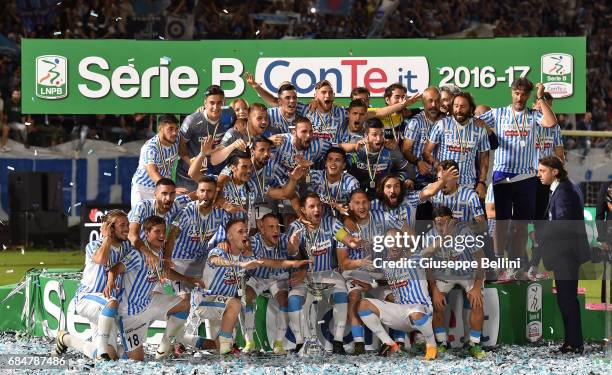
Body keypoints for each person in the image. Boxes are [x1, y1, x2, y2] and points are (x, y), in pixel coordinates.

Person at [479, 78, 558, 281]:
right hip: (503, 173)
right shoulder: (498, 113)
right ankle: (497, 263)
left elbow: (551, 122)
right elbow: (474, 120)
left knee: (521, 225)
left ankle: (516, 266)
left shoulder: (534, 115)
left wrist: (541, 98)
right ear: (511, 92)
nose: (520, 97)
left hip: (527, 175)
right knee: (501, 222)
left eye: (524, 94)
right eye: (516, 93)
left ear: (529, 95)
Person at [106, 216, 205, 361]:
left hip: (149, 302)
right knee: (136, 361)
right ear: (146, 233)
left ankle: (163, 348)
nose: (161, 235)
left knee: (184, 304)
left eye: (163, 231)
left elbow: (165, 272)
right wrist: (110, 282)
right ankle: (111, 347)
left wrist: (189, 279)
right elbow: (114, 269)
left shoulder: (158, 252)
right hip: (130, 314)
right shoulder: (137, 255)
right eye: (157, 231)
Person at [54, 210, 131, 361]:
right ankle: (102, 351)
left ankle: (65, 339)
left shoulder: (126, 247)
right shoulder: (94, 245)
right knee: (111, 303)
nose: (127, 228)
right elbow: (102, 259)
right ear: (110, 227)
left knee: (112, 356)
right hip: (87, 299)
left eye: (127, 224)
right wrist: (107, 238)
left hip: (106, 309)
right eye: (122, 225)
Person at [334, 190, 403, 354]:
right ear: (350, 206)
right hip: (356, 272)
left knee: (397, 298)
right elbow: (343, 263)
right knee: (354, 297)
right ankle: (359, 343)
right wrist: (361, 262)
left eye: (364, 202)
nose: (361, 206)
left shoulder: (383, 217)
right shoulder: (343, 228)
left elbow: (404, 232)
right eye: (357, 203)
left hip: (380, 274)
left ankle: (399, 341)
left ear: (369, 203)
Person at [357, 228, 437, 359]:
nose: (394, 245)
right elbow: (386, 279)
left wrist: (444, 236)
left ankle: (432, 345)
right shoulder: (386, 264)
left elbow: (431, 249)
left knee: (416, 312)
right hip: (400, 313)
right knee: (363, 305)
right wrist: (370, 285)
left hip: (421, 311)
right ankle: (389, 343)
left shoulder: (414, 257)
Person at [537, 156, 590, 354]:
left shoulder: (565, 191)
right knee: (566, 298)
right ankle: (572, 342)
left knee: (567, 299)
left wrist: (543, 240)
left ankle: (574, 343)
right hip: (566, 253)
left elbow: (562, 225)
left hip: (566, 254)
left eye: (542, 171)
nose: (539, 175)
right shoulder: (564, 188)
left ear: (555, 171)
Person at [286, 192, 348, 354]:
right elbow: (292, 254)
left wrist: (352, 241)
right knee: (293, 299)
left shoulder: (331, 223)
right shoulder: (296, 227)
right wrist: (292, 245)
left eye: (319, 206)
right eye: (311, 206)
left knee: (341, 293)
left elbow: (345, 237)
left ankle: (338, 342)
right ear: (303, 210)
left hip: (329, 273)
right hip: (305, 274)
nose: (316, 209)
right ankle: (300, 342)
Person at [425, 206, 486, 359]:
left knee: (477, 301)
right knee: (436, 304)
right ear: (433, 223)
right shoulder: (430, 236)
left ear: (453, 221)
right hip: (445, 275)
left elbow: (481, 259)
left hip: (468, 272)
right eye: (439, 223)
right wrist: (434, 290)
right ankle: (442, 343)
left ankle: (474, 343)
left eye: (446, 222)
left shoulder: (464, 232)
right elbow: (428, 265)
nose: (443, 226)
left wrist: (477, 286)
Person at [423, 92, 490, 198]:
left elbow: (485, 156)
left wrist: (482, 182)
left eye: (463, 107)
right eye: (456, 106)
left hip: (467, 184)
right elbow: (426, 151)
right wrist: (438, 168)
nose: (458, 110)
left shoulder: (479, 127)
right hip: (443, 184)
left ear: (471, 109)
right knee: (441, 214)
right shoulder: (442, 124)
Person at [177, 85, 236, 188]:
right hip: (188, 176)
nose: (216, 107)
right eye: (212, 103)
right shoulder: (192, 121)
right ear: (205, 103)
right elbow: (180, 146)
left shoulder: (230, 115)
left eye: (219, 103)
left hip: (214, 173)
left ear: (224, 103)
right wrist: (193, 164)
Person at [128, 178, 190, 268]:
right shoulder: (142, 207)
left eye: (172, 193)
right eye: (164, 194)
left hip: (154, 257)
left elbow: (196, 194)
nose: (168, 198)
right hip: (133, 255)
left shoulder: (175, 205)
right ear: (155, 194)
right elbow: (131, 234)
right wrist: (148, 254)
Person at [346, 118, 413, 198]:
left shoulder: (391, 150)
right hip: (358, 196)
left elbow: (409, 170)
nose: (379, 139)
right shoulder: (356, 148)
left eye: (381, 134)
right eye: (374, 135)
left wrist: (399, 180)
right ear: (366, 136)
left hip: (383, 196)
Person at [130, 114, 184, 207]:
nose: (174, 132)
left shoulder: (176, 138)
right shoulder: (150, 148)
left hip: (163, 189)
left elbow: (184, 154)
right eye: (170, 129)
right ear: (160, 128)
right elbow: (152, 173)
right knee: (142, 220)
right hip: (144, 189)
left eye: (176, 128)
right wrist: (170, 188)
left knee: (162, 220)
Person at [402, 86, 445, 186]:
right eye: (430, 101)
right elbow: (405, 150)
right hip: (418, 177)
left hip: (440, 177)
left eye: (437, 101)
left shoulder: (446, 121)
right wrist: (418, 162)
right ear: (423, 102)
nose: (434, 105)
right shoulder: (415, 122)